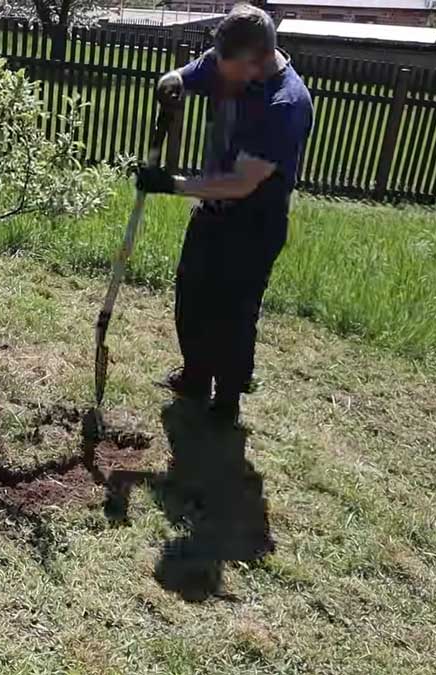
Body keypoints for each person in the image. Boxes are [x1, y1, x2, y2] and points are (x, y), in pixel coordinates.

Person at [136, 3, 313, 426]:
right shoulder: (230, 59)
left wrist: (171, 184)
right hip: (213, 212)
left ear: (256, 61)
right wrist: (172, 80)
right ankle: (196, 376)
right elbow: (193, 71)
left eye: (227, 66)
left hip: (254, 223)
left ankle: (227, 399)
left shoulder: (285, 104)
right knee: (192, 295)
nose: (219, 73)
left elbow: (241, 183)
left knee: (233, 313)